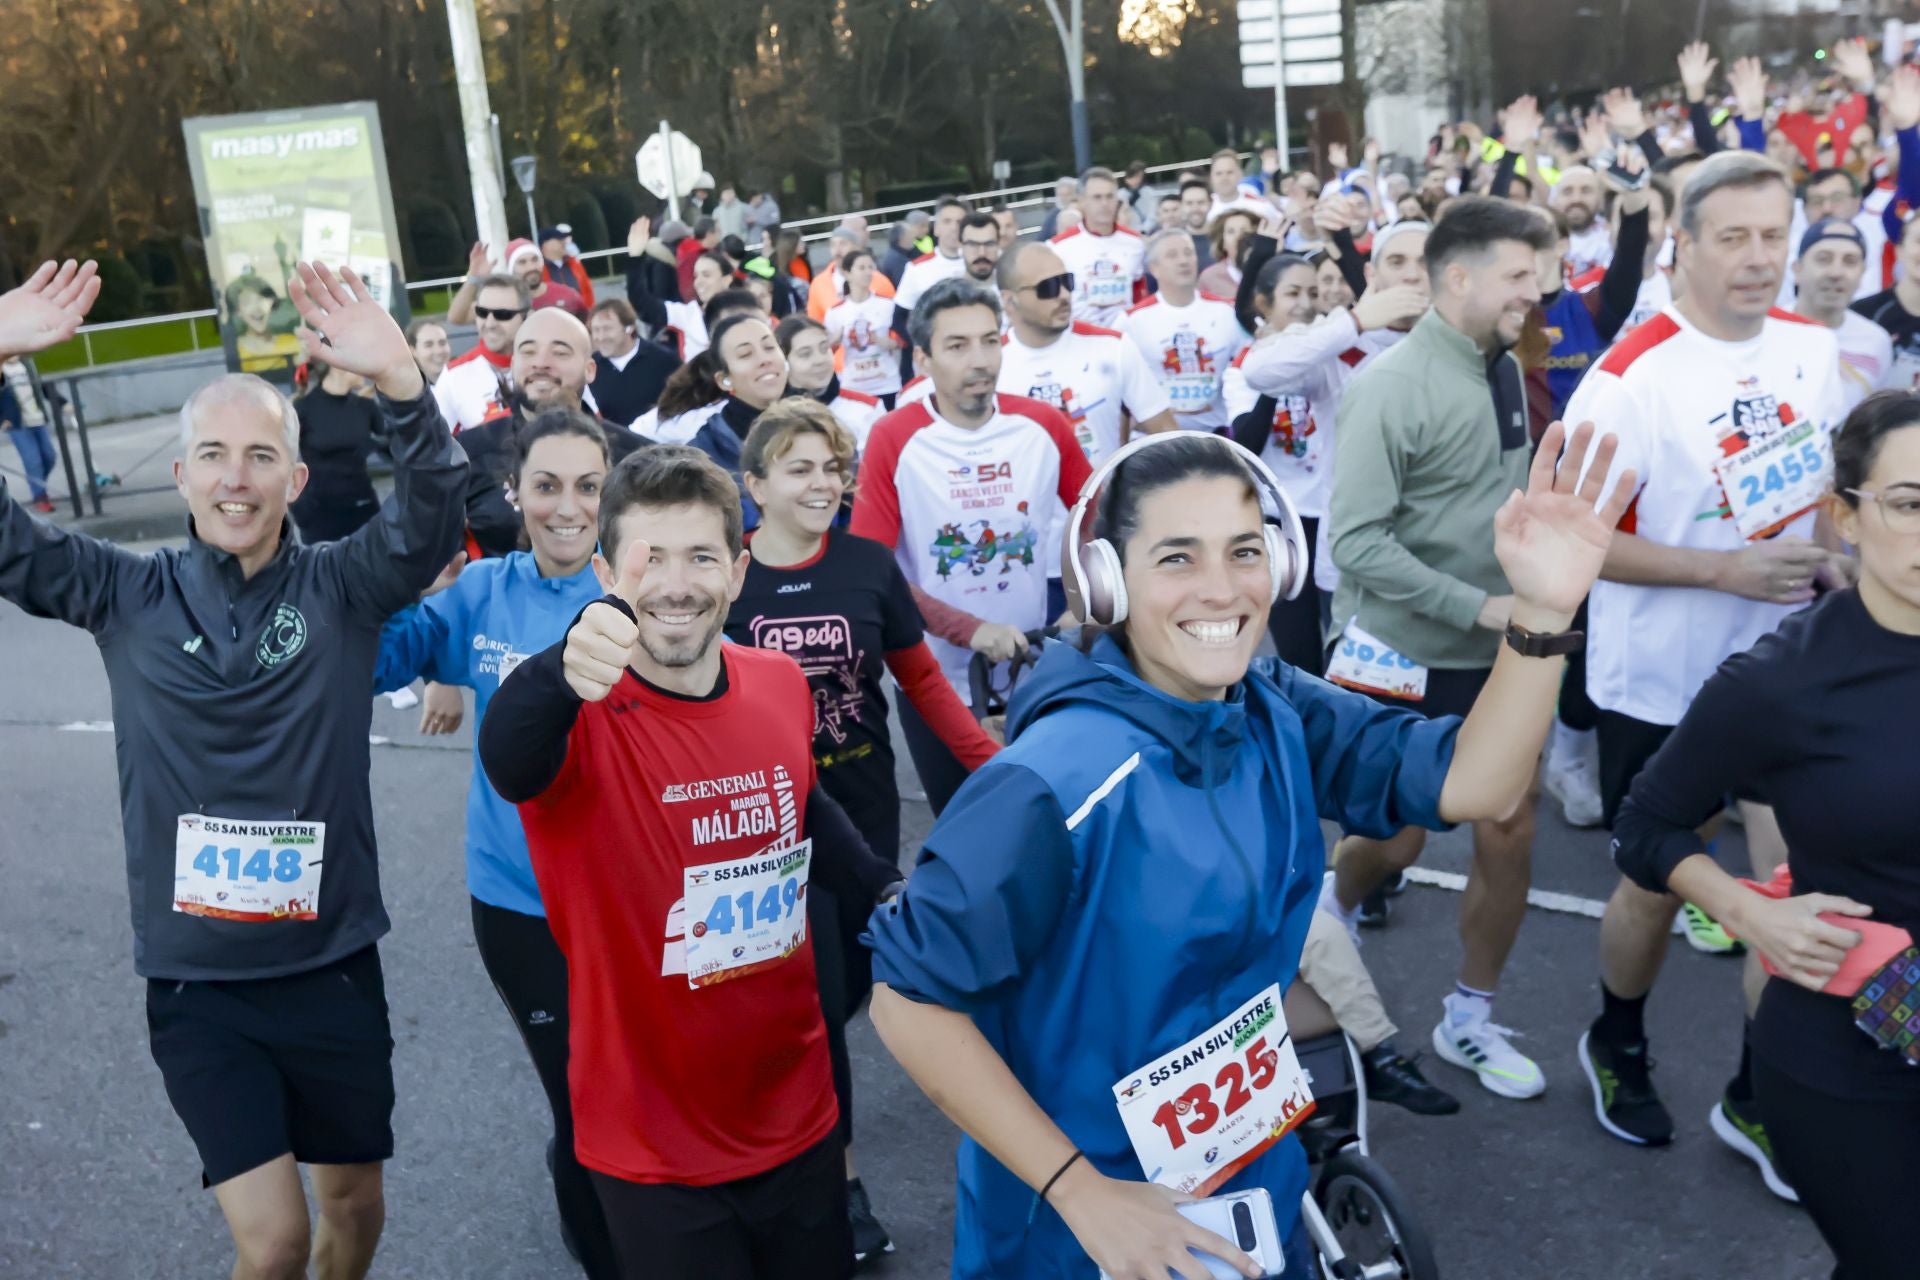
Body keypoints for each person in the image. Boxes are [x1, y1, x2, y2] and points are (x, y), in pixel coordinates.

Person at [865, 418, 1633, 1278]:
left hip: (1251, 1181)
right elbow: (910, 999)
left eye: (1244, 551)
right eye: (1177, 558)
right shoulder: (1054, 780)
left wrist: (1543, 611)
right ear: (1107, 583)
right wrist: (1082, 1191)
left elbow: (1474, 783)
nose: (1223, 590)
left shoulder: (1270, 707)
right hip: (1085, 1228)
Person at [0, 258, 468, 1280]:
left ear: (295, 479)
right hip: (199, 981)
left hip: (332, 964)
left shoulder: (342, 585)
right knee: (275, 1241)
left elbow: (430, 520)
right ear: (181, 476)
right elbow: (6, 542)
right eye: (211, 454)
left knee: (352, 1207)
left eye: (261, 455)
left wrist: (402, 383)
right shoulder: (122, 591)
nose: (235, 477)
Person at [475, 445, 903, 1280]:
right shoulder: (573, 712)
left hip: (800, 1115)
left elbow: (802, 805)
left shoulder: (779, 681)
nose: (677, 583)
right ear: (603, 572)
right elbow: (507, 756)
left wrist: (884, 887)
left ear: (739, 572)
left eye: (702, 557)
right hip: (652, 1151)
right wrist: (563, 666)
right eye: (651, 558)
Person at [1566, 151, 1851, 1185]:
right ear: (1681, 243)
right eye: (1732, 237)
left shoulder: (1811, 349)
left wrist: (1831, 557)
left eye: (1774, 235)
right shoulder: (1632, 375)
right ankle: (1617, 1038)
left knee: (1799, 887)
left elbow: (1824, 485)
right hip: (1662, 679)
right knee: (1652, 882)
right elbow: (1576, 540)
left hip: (1787, 669)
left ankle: (1756, 1095)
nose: (1758, 258)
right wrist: (1722, 569)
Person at [1611, 390, 1919, 1278]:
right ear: (1845, 517)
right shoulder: (1783, 682)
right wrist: (1748, 911)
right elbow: (1646, 821)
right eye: (1909, 503)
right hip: (1855, 1056)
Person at [728, 399, 1001, 1262]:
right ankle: (839, 1189)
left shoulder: (867, 565)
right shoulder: (728, 576)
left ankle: (787, 1108)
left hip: (867, 815)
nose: (821, 482)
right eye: (799, 467)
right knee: (814, 1004)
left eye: (831, 466)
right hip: (772, 828)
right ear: (755, 483)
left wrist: (1003, 769)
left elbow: (923, 686)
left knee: (852, 989)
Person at [370, 409, 622, 1280]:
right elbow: (375, 660)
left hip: (631, 899)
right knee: (579, 1100)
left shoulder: (641, 587)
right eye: (546, 485)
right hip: (518, 902)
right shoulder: (481, 592)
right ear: (514, 490)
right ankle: (604, 1257)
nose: (566, 506)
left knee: (645, 1087)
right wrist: (394, 583)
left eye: (588, 486)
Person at [1319, 196, 1559, 1099]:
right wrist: (1480, 607)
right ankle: (1327, 915)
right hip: (1400, 649)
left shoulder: (1506, 361)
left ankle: (1470, 1017)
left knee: (1510, 822)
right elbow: (1357, 544)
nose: (1536, 294)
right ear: (1456, 278)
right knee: (1399, 837)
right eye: (1518, 276)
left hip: (1496, 641)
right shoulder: (1385, 386)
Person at [849, 277, 1092, 815]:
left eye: (989, 341)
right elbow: (870, 570)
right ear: (922, 359)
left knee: (1054, 823)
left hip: (1038, 670)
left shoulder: (1043, 424)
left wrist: (1086, 606)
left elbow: (1101, 521)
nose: (979, 359)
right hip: (935, 684)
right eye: (957, 346)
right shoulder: (894, 436)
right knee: (968, 837)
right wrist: (969, 630)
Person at [461, 309, 652, 558]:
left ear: (590, 369)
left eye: (560, 352)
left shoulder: (638, 459)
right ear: (513, 365)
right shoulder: (464, 455)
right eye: (528, 351)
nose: (540, 363)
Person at [647, 313, 790, 527]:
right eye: (745, 354)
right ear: (724, 379)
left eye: (769, 347)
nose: (764, 359)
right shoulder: (705, 453)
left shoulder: (817, 425)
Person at [1120, 230, 1246, 434]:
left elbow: (1245, 370)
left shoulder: (1227, 312)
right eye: (1172, 255)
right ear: (1154, 268)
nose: (1183, 261)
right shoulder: (1131, 321)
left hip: (1217, 436)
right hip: (1157, 440)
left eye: (1188, 253)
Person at [1793, 219, 1894, 412]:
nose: (1836, 272)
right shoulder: (1767, 328)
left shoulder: (1876, 341)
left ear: (1862, 273)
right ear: (1797, 269)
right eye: (1823, 259)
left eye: (1850, 261)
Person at [291, 361, 383, 544]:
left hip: (364, 509)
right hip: (320, 515)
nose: (366, 370)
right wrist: (298, 508)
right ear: (339, 366)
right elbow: (282, 459)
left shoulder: (366, 407)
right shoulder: (303, 408)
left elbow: (395, 444)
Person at [1050, 168, 1148, 327]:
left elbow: (1140, 291)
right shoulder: (1058, 247)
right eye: (1097, 197)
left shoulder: (1135, 243)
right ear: (1082, 201)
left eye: (1110, 196)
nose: (1104, 204)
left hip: (1124, 338)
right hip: (1081, 339)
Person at [626, 215, 729, 360]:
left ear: (727, 279)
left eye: (706, 275)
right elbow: (643, 303)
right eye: (696, 276)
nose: (698, 282)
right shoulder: (687, 314)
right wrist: (635, 258)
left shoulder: (745, 310)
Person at [777, 316, 885, 452]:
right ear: (783, 363)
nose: (819, 360)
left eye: (824, 349)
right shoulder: (773, 414)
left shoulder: (867, 409)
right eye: (805, 354)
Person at [435, 273, 526, 434]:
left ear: (527, 316)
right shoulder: (453, 377)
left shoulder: (549, 366)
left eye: (503, 314)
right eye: (482, 312)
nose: (490, 324)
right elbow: (438, 451)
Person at [822, 248, 903, 407]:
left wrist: (891, 343)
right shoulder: (836, 312)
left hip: (887, 382)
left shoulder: (887, 304)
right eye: (861, 268)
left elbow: (904, 340)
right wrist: (835, 341)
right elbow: (826, 349)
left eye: (870, 267)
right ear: (846, 273)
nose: (868, 273)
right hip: (854, 385)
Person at [891, 199, 972, 357]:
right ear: (936, 229)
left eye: (959, 221)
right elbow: (899, 318)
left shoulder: (982, 264)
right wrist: (926, 348)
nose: (954, 227)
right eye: (947, 221)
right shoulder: (917, 269)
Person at [586, 299, 677, 427]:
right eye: (596, 330)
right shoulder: (589, 368)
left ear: (629, 328)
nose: (601, 337)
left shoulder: (665, 361)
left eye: (607, 329)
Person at [0, 357, 56, 513]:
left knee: (49, 457)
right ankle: (40, 496)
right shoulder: (1, 369)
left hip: (37, 418)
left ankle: (38, 485)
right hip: (16, 423)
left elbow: (43, 386)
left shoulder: (27, 364)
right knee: (33, 461)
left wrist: (62, 402)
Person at [228, 276, 302, 376]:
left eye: (261, 299)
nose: (257, 308)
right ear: (238, 312)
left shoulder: (294, 343)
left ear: (271, 303)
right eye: (247, 302)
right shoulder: (233, 351)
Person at [1553, 166, 1613, 275]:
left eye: (1586, 191)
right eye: (1567, 191)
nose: (1576, 199)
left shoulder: (1614, 239)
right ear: (1555, 199)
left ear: (1600, 198)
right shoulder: (1543, 239)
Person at [1197, 210, 1260, 301]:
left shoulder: (1267, 271)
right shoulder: (1209, 277)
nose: (1238, 237)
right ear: (1222, 242)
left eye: (1244, 231)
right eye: (1231, 232)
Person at [539, 226, 596, 308]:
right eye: (559, 240)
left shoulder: (575, 264)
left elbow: (587, 291)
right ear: (546, 245)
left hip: (580, 316)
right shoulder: (539, 270)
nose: (564, 243)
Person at [881, 212, 930, 285]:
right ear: (901, 238)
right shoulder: (896, 260)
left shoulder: (905, 251)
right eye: (910, 234)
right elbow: (906, 284)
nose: (913, 237)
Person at [1178, 179, 1215, 267]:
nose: (1195, 209)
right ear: (1181, 205)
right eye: (1189, 203)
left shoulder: (1223, 238)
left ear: (1211, 204)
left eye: (1201, 202)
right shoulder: (1173, 240)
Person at [406, 319, 451, 386]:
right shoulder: (408, 392)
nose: (438, 351)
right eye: (428, 345)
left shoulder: (464, 379)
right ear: (413, 351)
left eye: (442, 343)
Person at [1038, 176, 1080, 241]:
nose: (1063, 198)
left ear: (1076, 195)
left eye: (1067, 195)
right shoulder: (1053, 214)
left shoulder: (1083, 211)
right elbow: (1041, 238)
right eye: (1060, 195)